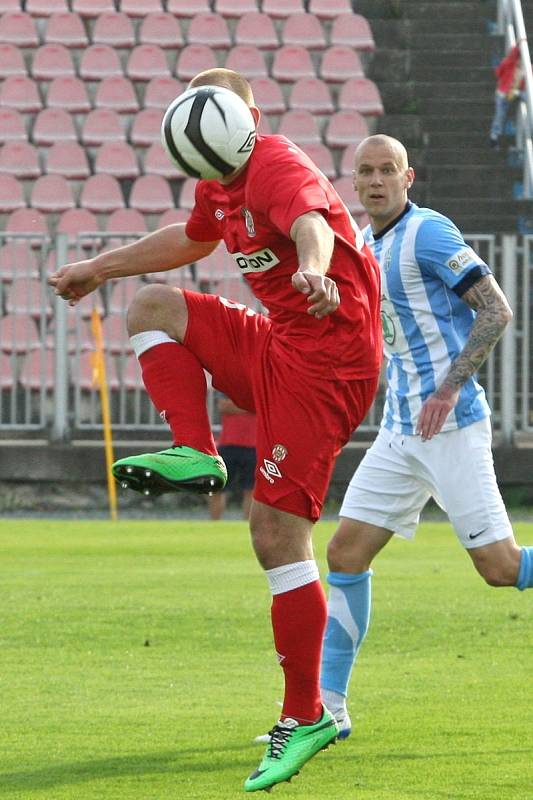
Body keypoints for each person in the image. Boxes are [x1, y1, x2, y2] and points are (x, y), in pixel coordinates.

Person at [48, 69, 382, 792]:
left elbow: (309, 225)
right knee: (153, 308)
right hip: (281, 342)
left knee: (275, 536)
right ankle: (197, 452)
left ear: (244, 115)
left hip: (327, 360)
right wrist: (101, 268)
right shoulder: (219, 179)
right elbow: (193, 240)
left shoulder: (274, 161)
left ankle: (308, 715)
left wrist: (317, 273)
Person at [319, 134, 533, 741]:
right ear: (354, 183)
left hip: (452, 425)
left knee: (499, 568)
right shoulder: (361, 243)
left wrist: (446, 388)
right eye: (367, 171)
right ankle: (327, 711)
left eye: (389, 169)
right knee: (344, 555)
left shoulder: (430, 232)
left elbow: (496, 310)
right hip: (399, 431)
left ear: (408, 177)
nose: (378, 180)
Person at [207, 393, 256, 521]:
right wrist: (252, 406)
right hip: (227, 444)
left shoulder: (260, 384)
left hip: (254, 445)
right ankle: (214, 524)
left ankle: (247, 524)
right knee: (218, 487)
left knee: (251, 490)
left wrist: (238, 406)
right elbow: (223, 406)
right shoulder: (229, 385)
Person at [489, 40, 528, 149]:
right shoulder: (509, 63)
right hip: (503, 93)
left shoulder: (528, 69)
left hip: (515, 93)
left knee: (527, 97)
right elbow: (498, 72)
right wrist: (520, 44)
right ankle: (494, 136)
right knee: (500, 114)